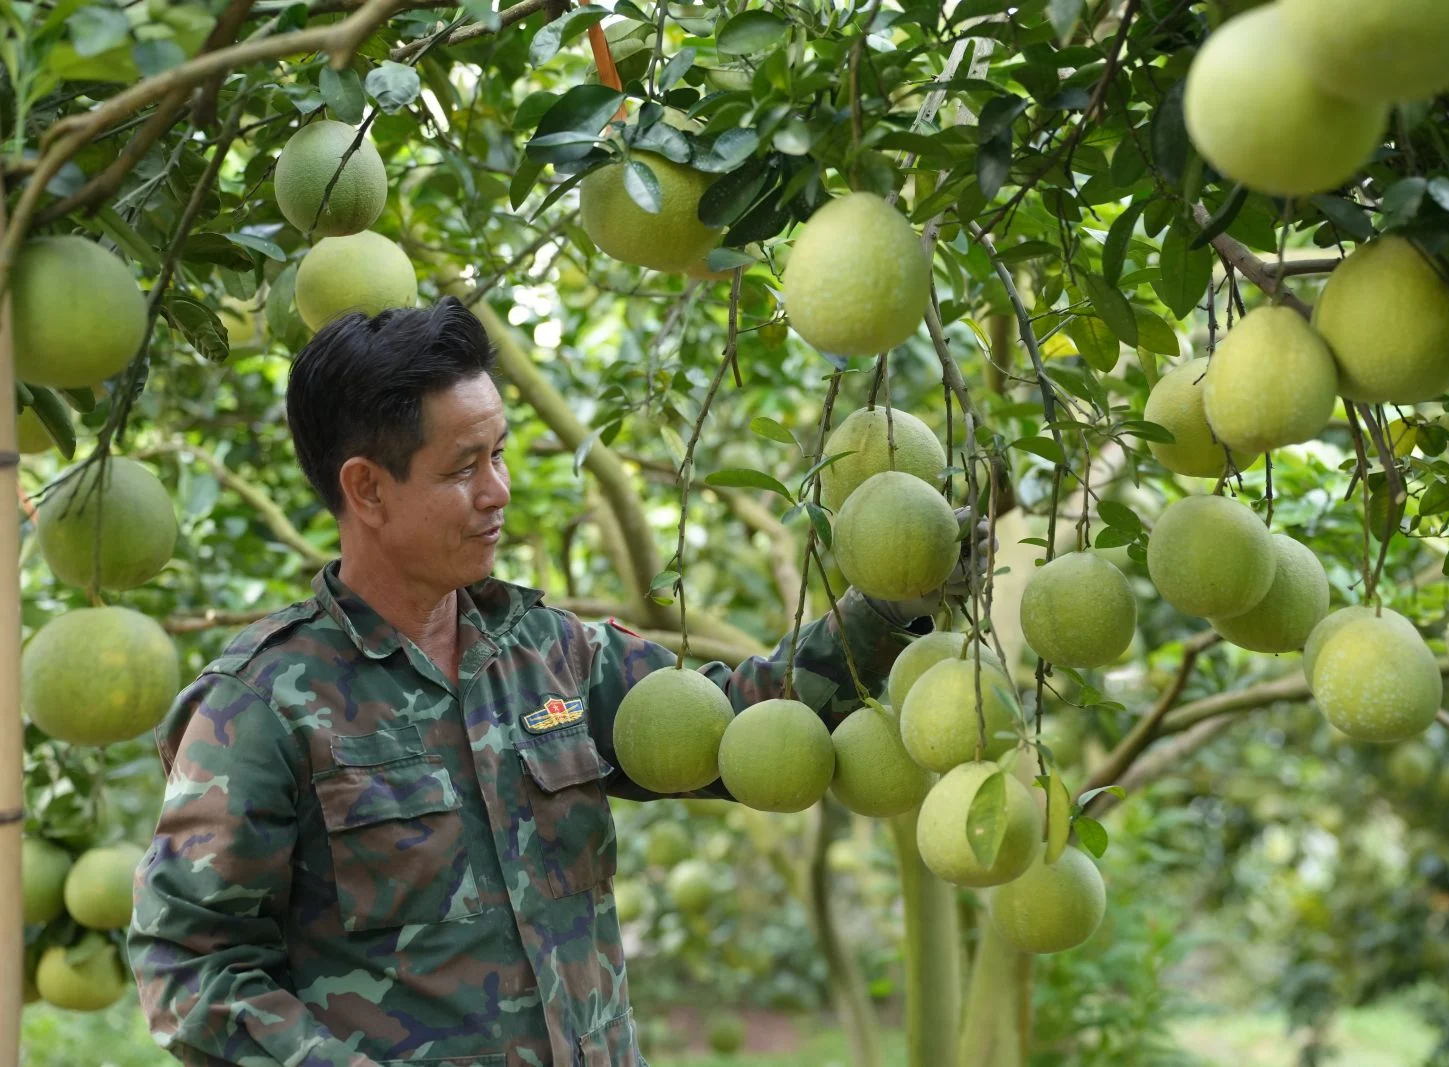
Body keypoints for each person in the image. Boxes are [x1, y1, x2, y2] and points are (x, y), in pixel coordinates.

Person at [126, 297, 982, 1067]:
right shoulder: (260, 704)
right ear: (367, 488)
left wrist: (890, 602)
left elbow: (745, 728)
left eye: (499, 453)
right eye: (465, 468)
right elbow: (191, 966)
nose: (499, 491)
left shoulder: (548, 653)